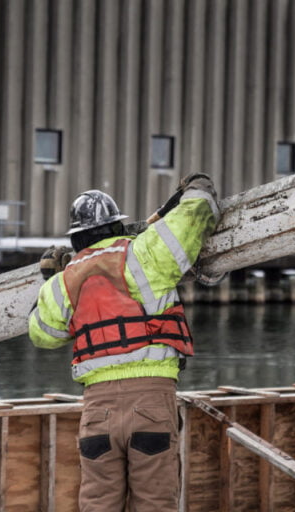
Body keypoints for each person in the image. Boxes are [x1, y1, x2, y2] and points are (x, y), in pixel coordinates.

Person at [29, 173, 219, 511]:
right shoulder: (144, 253)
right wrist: (196, 187)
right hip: (151, 401)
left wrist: (52, 279)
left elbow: (42, 334)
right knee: (154, 502)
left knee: (98, 503)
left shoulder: (64, 282)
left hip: (97, 411)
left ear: (76, 240)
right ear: (118, 227)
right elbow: (196, 211)